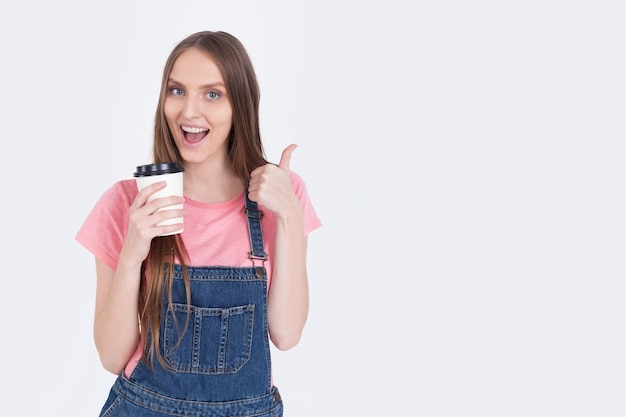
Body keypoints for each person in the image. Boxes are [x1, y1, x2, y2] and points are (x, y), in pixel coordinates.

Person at [75, 30, 321, 417]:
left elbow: (287, 334)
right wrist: (133, 252)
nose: (189, 112)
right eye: (177, 91)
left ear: (240, 104)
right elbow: (110, 355)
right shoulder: (126, 201)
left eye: (212, 94)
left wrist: (288, 216)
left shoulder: (281, 197)